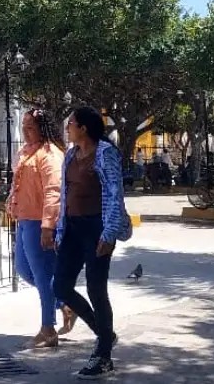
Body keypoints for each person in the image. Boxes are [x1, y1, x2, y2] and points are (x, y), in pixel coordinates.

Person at [55, 108, 132, 380]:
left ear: (84, 128)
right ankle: (104, 334)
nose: (68, 128)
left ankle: (103, 356)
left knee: (96, 288)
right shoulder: (70, 155)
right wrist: (59, 229)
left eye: (71, 124)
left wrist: (109, 233)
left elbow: (114, 193)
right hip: (73, 229)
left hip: (97, 228)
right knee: (61, 286)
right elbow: (66, 194)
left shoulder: (105, 153)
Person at [8, 108, 69, 348]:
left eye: (30, 127)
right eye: (24, 126)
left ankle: (48, 329)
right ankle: (64, 302)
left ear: (42, 128)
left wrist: (48, 226)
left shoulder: (50, 155)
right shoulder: (26, 152)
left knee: (43, 276)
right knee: (23, 270)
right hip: (24, 220)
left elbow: (54, 192)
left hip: (38, 222)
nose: (25, 131)